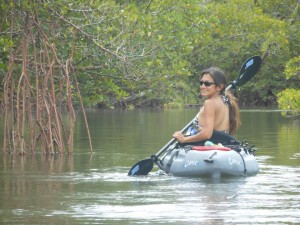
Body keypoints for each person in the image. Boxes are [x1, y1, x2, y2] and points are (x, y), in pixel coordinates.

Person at [173, 67, 240, 143]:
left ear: (220, 87)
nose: (202, 86)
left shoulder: (209, 103)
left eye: (207, 84)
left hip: (211, 144)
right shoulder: (226, 100)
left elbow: (207, 134)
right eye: (201, 83)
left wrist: (184, 139)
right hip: (223, 143)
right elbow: (215, 130)